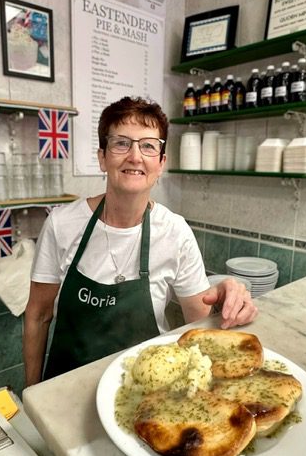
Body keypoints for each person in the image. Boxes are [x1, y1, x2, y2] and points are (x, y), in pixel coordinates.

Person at [24, 96, 258, 385]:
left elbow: (200, 326)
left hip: (146, 393)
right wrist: (31, 395)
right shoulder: (62, 224)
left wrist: (225, 295)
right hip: (66, 389)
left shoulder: (175, 232)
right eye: (121, 143)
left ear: (161, 163)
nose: (135, 156)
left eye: (148, 146)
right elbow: (37, 316)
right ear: (102, 157)